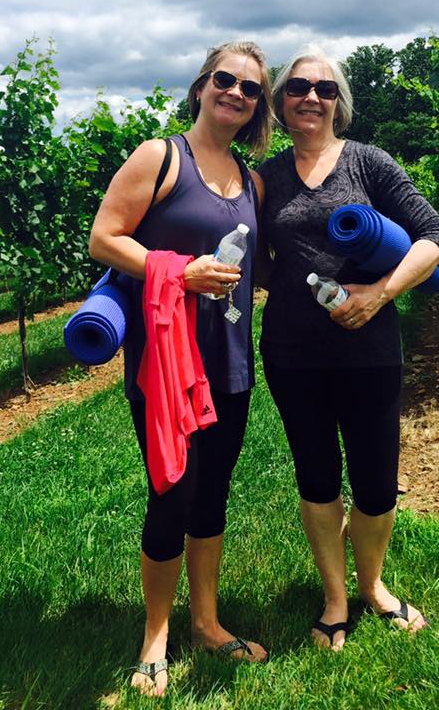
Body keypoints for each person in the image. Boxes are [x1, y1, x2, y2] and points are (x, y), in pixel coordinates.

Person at [89, 42, 272, 696]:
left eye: (250, 89)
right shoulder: (160, 157)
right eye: (226, 80)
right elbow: (104, 237)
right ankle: (156, 634)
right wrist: (177, 270)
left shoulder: (250, 179)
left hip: (229, 365)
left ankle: (207, 622)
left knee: (213, 493)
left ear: (257, 106)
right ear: (202, 86)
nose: (236, 93)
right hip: (168, 366)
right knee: (173, 493)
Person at [257, 43, 439, 650]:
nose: (310, 97)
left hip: (370, 353)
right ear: (280, 102)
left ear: (339, 103)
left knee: (375, 484)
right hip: (292, 352)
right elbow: (256, 259)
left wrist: (380, 292)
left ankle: (374, 585)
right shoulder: (264, 178)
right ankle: (336, 599)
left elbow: (435, 236)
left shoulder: (369, 164)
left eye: (324, 89)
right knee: (316, 479)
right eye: (297, 88)